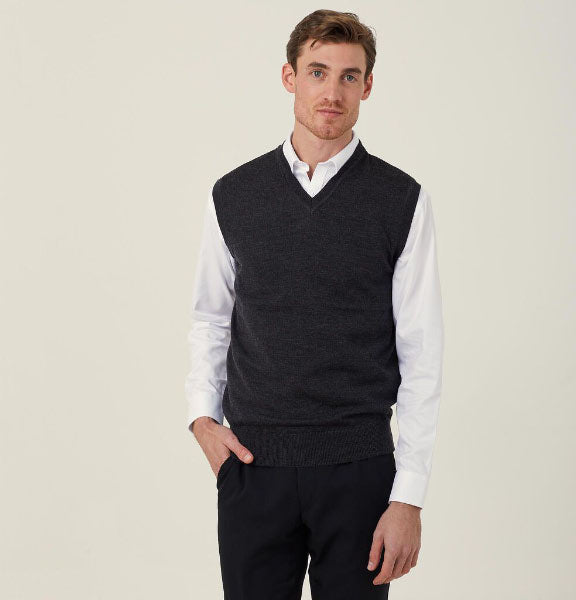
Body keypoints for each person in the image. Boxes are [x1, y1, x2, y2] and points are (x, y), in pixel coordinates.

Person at [185, 9, 444, 599]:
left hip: (359, 471)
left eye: (350, 76)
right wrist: (203, 418)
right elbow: (210, 317)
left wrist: (408, 497)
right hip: (253, 466)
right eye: (318, 72)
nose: (332, 92)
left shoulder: (401, 199)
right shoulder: (234, 194)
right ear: (290, 77)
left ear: (368, 87)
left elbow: (422, 352)